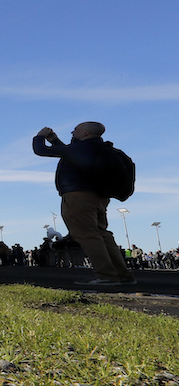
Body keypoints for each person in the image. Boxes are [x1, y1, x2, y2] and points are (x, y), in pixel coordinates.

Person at [33, 122, 135, 287]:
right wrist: (54, 139)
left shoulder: (81, 149)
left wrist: (40, 137)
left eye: (77, 129)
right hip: (98, 196)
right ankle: (122, 274)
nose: (73, 131)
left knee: (87, 235)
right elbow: (67, 152)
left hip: (77, 196)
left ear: (86, 133)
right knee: (102, 233)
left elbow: (41, 150)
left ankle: (106, 275)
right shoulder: (95, 148)